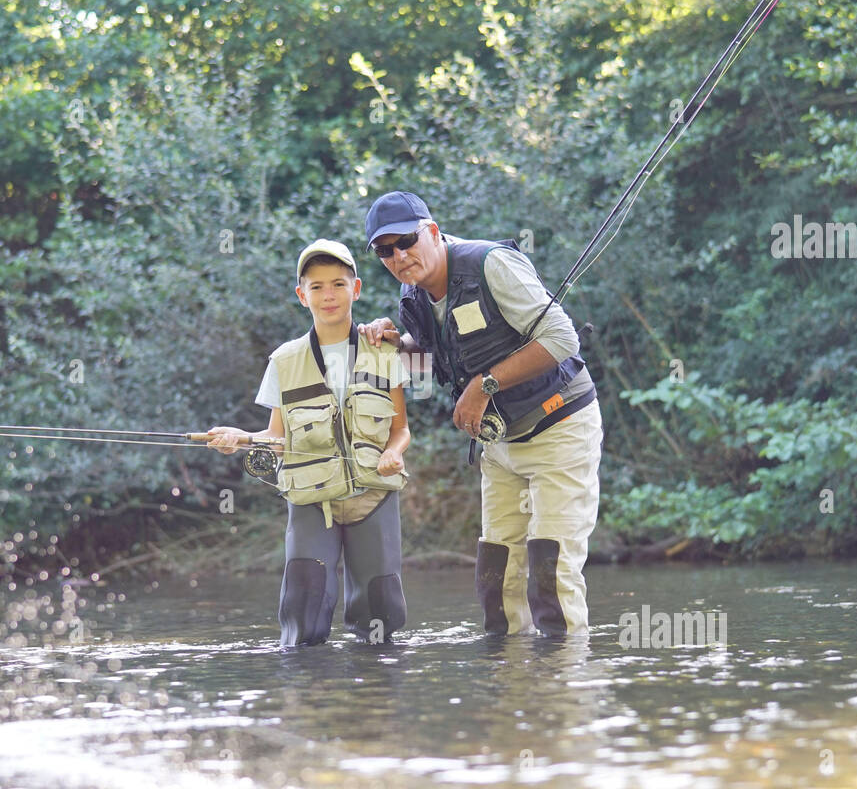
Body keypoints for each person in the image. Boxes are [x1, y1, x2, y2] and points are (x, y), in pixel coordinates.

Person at [359, 191, 602, 637]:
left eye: (407, 241)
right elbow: (430, 369)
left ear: (432, 232)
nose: (399, 256)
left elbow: (564, 339)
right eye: (384, 250)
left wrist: (484, 384)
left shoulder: (491, 264)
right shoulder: (411, 293)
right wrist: (397, 343)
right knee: (496, 578)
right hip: (500, 442)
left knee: (550, 570)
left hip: (559, 424)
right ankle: (508, 695)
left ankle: (564, 694)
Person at [206, 239, 412, 646]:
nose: (328, 295)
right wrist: (241, 439)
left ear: (356, 289)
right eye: (316, 287)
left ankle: (377, 695)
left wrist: (393, 452)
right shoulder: (283, 360)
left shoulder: (385, 350)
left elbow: (401, 428)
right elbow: (276, 438)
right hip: (309, 500)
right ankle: (306, 696)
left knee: (380, 614)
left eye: (337, 284)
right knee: (304, 606)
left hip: (374, 495)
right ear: (302, 296)